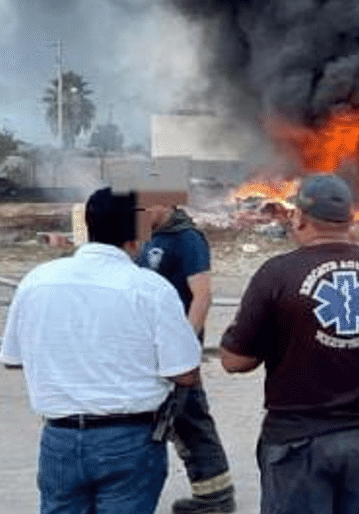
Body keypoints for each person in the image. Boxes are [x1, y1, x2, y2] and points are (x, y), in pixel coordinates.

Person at [220, 173, 359, 514]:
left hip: (298, 443)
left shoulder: (276, 273)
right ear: (350, 219)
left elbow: (234, 361)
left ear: (299, 217)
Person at [0, 187, 202, 514]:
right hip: (130, 440)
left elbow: (12, 359)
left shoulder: (36, 281)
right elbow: (185, 373)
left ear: (88, 224)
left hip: (60, 439)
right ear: (138, 234)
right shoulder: (151, 289)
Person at [138, 198, 236, 514]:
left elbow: (202, 295)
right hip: (146, 345)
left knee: (189, 415)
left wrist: (186, 345)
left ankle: (216, 497)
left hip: (175, 348)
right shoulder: (144, 235)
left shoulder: (187, 238)